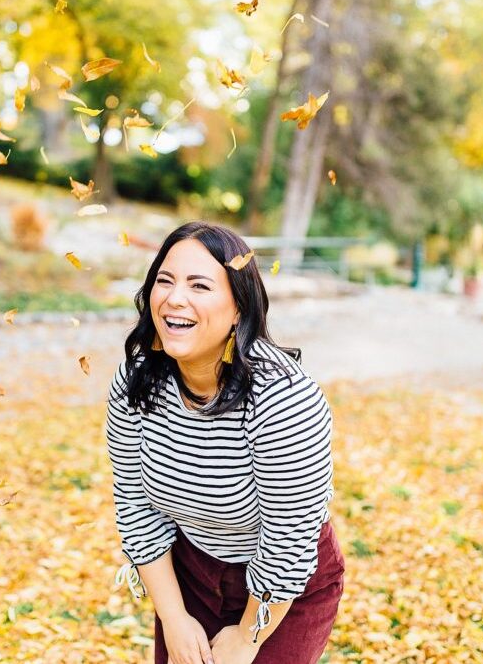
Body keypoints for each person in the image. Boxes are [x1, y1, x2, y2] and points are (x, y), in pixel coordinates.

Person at [105, 221, 345, 664]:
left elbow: (288, 540)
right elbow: (135, 507)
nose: (175, 298)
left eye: (200, 285)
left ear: (239, 309)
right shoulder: (135, 383)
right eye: (165, 280)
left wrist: (248, 638)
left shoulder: (285, 399)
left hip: (284, 586)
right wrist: (174, 618)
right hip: (191, 571)